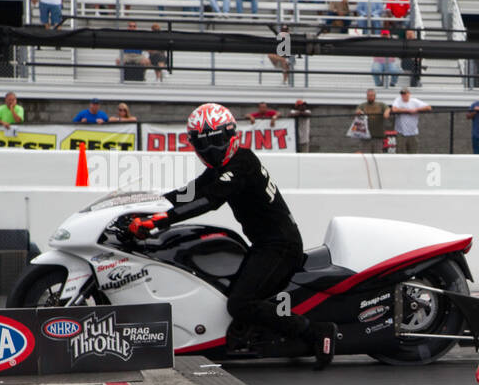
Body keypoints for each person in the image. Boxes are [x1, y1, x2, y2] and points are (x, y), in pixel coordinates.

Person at [124, 103, 336, 366]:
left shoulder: (242, 163)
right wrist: (144, 205)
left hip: (280, 246)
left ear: (228, 134)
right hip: (263, 244)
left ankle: (315, 331)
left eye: (214, 140)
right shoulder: (221, 167)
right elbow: (190, 192)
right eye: (202, 143)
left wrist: (161, 220)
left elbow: (210, 199)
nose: (209, 148)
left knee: (241, 303)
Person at [390, 87, 430, 152]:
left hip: (413, 133)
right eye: (402, 94)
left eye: (405, 94)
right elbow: (394, 109)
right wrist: (408, 110)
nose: (403, 95)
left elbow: (428, 107)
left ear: (409, 94)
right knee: (400, 153)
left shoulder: (414, 101)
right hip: (401, 133)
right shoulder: (398, 100)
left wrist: (416, 109)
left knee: (413, 153)